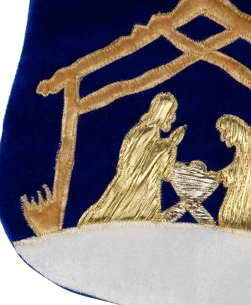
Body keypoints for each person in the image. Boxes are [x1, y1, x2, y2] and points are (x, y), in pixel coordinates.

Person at [79, 92, 186, 225]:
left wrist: (168, 144)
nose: (173, 118)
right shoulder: (147, 132)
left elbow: (154, 164)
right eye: (171, 113)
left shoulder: (146, 131)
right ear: (162, 112)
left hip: (136, 188)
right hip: (134, 191)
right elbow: (141, 165)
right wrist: (170, 143)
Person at [216, 115, 251, 238]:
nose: (223, 137)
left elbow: (242, 170)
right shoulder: (249, 147)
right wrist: (224, 173)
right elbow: (238, 166)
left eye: (225, 132)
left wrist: (224, 174)